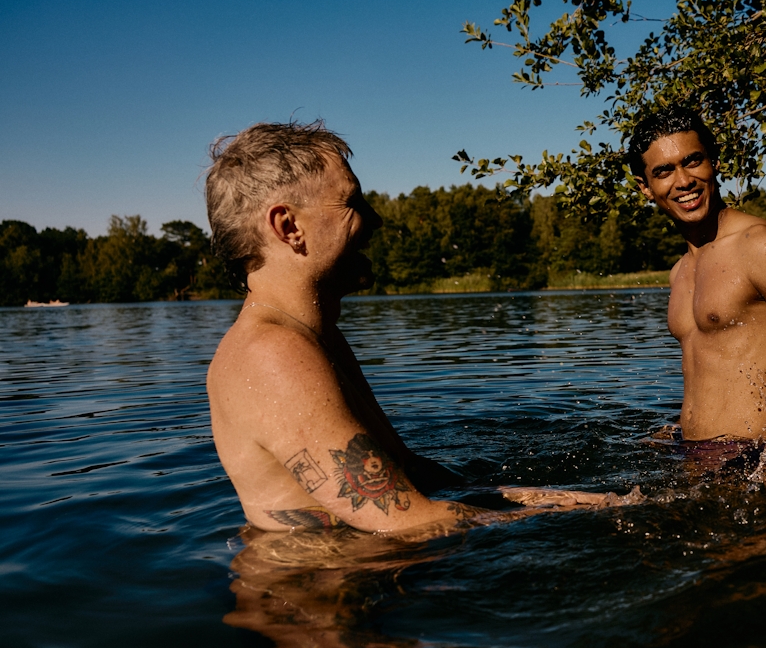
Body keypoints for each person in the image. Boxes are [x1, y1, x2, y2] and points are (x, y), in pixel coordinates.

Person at [205, 121, 627, 532]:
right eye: (353, 203)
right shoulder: (273, 355)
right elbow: (409, 523)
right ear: (289, 227)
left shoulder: (313, 337)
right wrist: (605, 516)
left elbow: (407, 474)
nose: (375, 220)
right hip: (319, 595)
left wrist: (560, 497)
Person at [628, 105, 766, 456]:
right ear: (646, 187)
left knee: (538, 504)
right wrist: (677, 432)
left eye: (693, 161)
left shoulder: (761, 247)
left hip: (751, 461)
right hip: (692, 455)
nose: (683, 180)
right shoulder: (680, 270)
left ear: (715, 162)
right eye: (665, 171)